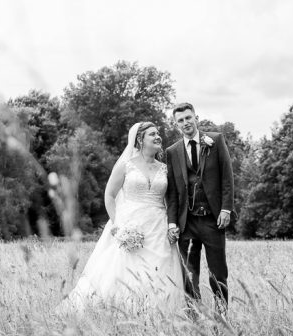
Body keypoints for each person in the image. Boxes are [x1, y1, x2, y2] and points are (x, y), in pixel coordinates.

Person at [58, 122, 184, 313]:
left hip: (158, 225)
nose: (158, 137)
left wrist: (172, 225)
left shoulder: (165, 168)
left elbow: (171, 199)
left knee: (158, 269)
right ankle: (119, 310)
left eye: (158, 133)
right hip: (129, 223)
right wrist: (118, 224)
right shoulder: (126, 165)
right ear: (140, 140)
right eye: (152, 134)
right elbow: (109, 195)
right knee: (123, 268)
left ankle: (156, 313)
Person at [164, 102, 235, 316]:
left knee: (218, 274)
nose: (185, 123)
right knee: (189, 275)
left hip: (213, 220)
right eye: (180, 120)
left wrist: (226, 209)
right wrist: (173, 222)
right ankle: (194, 318)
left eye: (188, 118)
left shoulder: (216, 140)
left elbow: (227, 177)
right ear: (176, 124)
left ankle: (221, 318)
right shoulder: (172, 151)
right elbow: (173, 191)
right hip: (187, 223)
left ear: (196, 117)